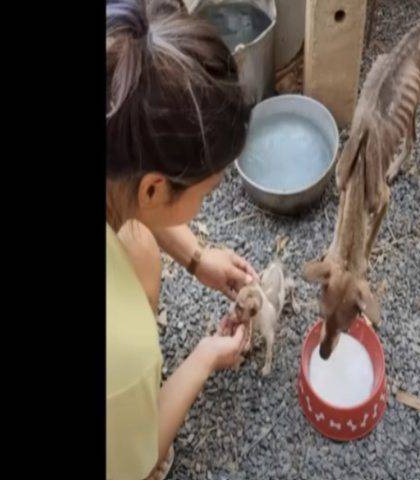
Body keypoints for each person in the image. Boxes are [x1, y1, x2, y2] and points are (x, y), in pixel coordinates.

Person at [106, 1, 258, 478]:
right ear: (154, 188)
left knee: (140, 247)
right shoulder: (121, 342)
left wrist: (195, 257)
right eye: (207, 191)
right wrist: (205, 356)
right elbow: (144, 451)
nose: (206, 201)